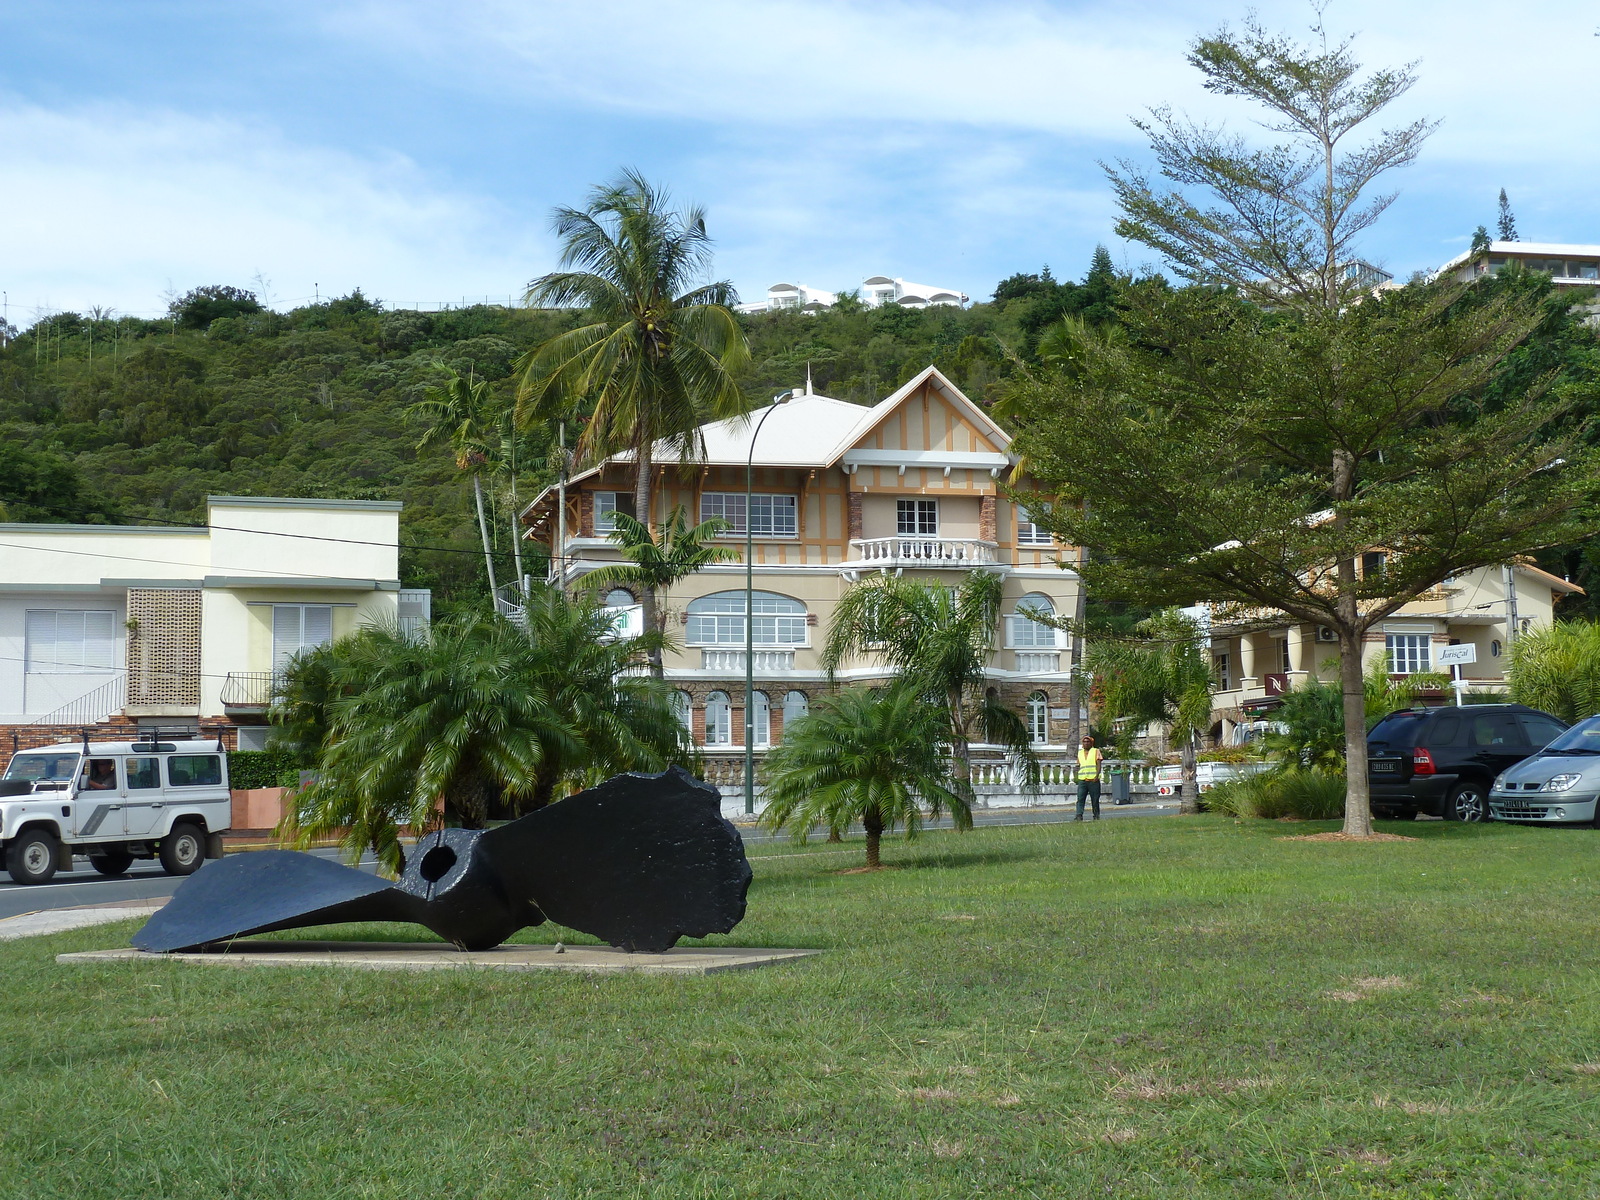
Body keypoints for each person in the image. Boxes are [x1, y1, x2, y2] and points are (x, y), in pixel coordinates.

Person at [1074, 735, 1102, 821]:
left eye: (1088, 742)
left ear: (1091, 743)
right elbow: (1079, 765)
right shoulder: (1080, 753)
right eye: (1084, 742)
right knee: (1080, 798)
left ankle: (1096, 816)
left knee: (1095, 799)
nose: (1086, 743)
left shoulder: (1095, 751)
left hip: (1093, 780)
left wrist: (1096, 776)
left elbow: (1098, 765)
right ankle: (1079, 815)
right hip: (1083, 780)